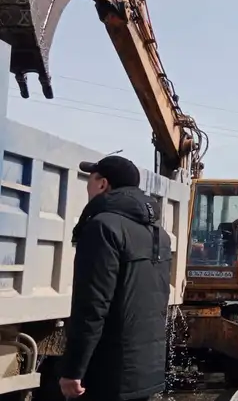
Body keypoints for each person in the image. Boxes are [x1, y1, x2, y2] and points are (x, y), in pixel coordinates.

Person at [60, 156, 172, 401]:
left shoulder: (102, 227)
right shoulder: (160, 234)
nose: (88, 187)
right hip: (145, 369)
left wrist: (73, 370)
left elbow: (92, 306)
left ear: (103, 184)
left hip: (108, 371)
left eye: (90, 180)